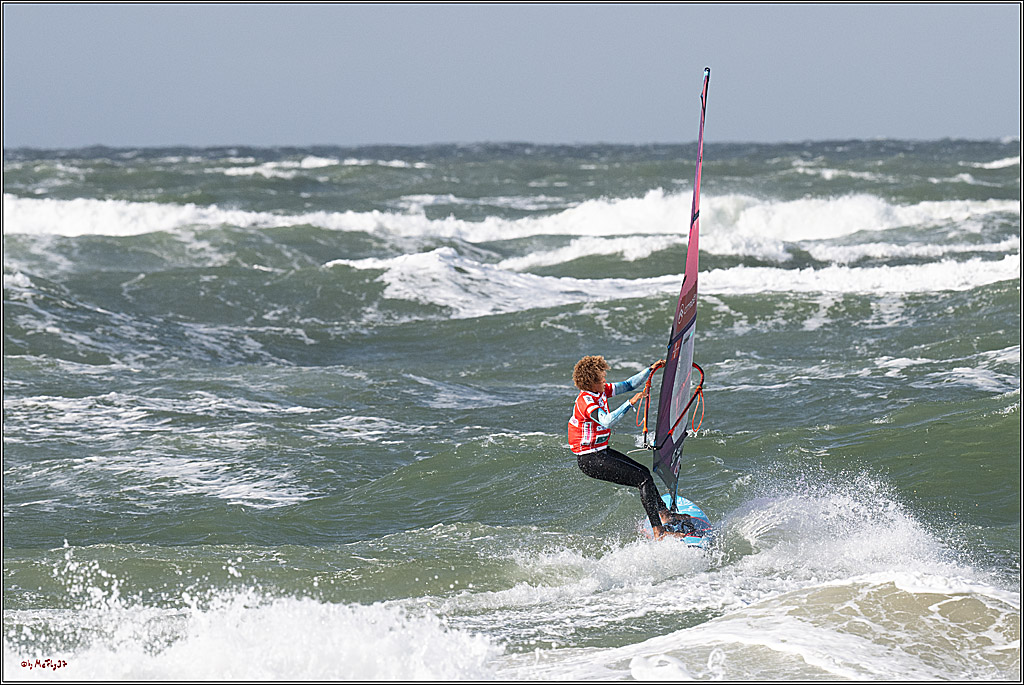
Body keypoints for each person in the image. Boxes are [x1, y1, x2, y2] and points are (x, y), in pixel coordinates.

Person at [567, 355, 687, 540]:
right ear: (591, 382)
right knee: (643, 480)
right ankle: (659, 530)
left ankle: (665, 514)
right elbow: (606, 421)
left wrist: (650, 370)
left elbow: (629, 384)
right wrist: (630, 403)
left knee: (644, 473)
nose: (605, 379)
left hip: (600, 452)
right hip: (590, 459)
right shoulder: (586, 401)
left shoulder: (600, 391)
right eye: (601, 377)